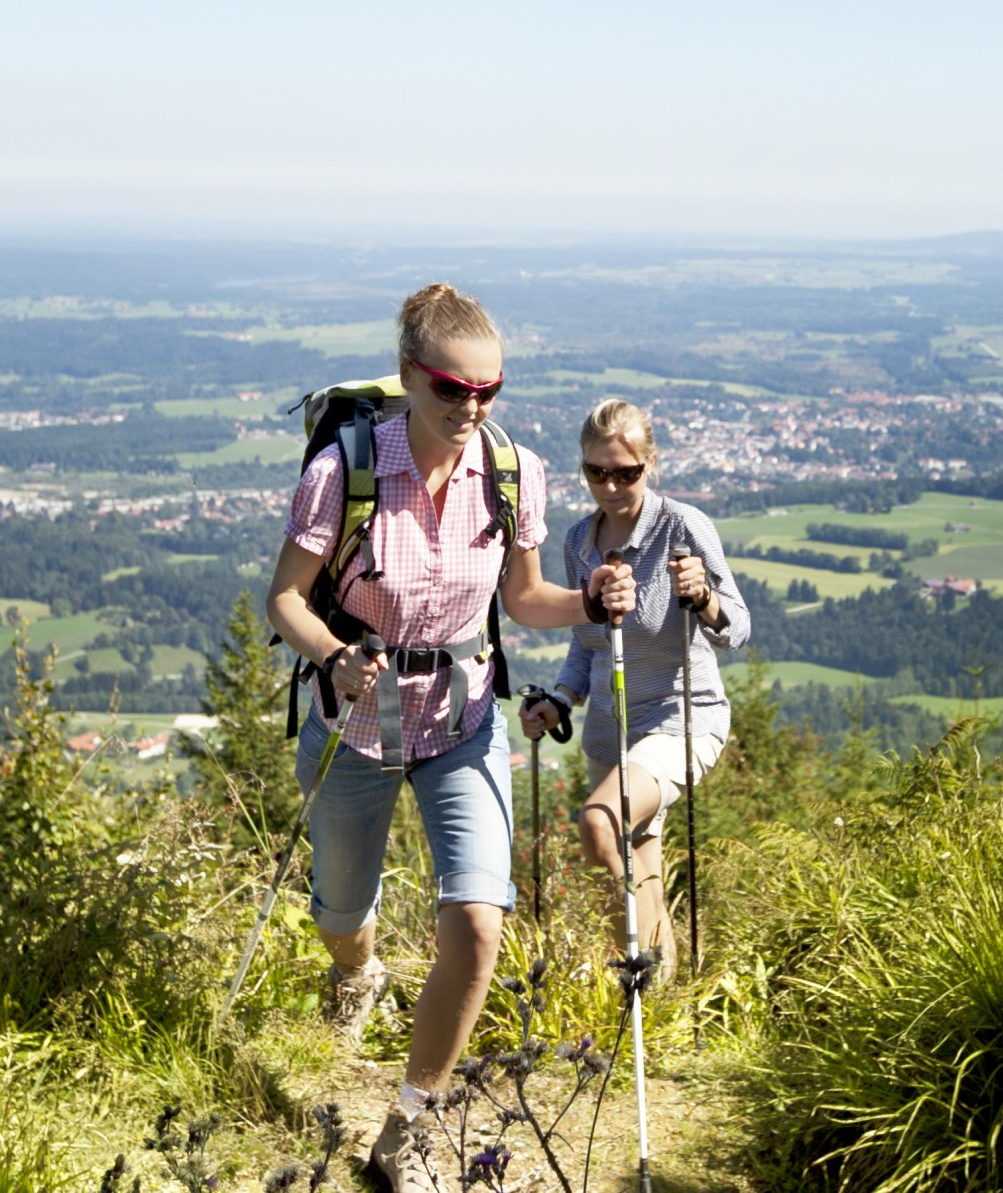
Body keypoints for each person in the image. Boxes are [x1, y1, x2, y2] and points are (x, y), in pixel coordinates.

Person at [265, 284, 635, 1190]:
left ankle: (411, 1123)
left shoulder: (513, 470)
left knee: (477, 919)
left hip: (463, 723)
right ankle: (359, 973)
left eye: (488, 391)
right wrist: (332, 653)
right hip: (353, 724)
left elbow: (523, 598)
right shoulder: (344, 470)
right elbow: (282, 597)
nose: (470, 408)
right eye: (450, 389)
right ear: (408, 377)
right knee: (340, 914)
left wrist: (587, 600)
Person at [522, 398, 748, 987]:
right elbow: (586, 640)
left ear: (651, 464)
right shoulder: (579, 542)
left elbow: (738, 630)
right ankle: (663, 1002)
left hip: (681, 717)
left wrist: (703, 599)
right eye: (598, 472)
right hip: (609, 729)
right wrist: (561, 700)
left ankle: (634, 977)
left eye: (626, 471)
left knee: (601, 822)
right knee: (642, 866)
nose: (611, 484)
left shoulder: (684, 527)